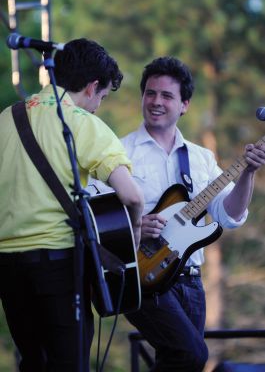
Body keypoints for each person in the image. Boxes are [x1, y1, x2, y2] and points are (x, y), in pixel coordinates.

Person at [88, 56, 265, 372]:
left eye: (166, 96)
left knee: (181, 362)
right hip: (141, 274)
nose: (156, 102)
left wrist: (248, 173)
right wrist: (135, 223)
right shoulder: (118, 151)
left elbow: (229, 216)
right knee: (191, 355)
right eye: (150, 93)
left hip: (190, 281)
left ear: (184, 104)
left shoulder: (200, 158)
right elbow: (93, 215)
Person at [0, 38, 144, 372]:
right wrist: (134, 232)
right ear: (92, 87)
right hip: (58, 264)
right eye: (103, 97)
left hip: (7, 267)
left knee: (34, 362)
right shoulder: (79, 122)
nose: (98, 107)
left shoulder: (7, 118)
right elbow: (132, 196)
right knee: (70, 363)